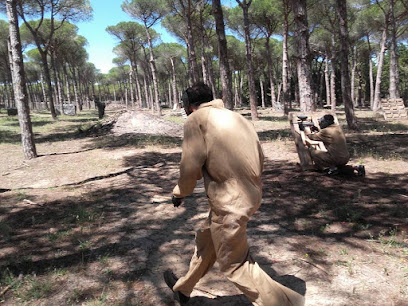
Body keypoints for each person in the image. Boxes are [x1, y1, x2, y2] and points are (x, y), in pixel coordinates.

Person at [164, 82, 305, 306]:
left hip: (228, 202)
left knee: (234, 262)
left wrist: (180, 192)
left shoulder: (196, 119)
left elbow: (190, 165)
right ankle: (183, 289)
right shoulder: (237, 117)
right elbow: (260, 156)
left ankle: (285, 304)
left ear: (188, 104)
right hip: (247, 195)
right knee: (208, 240)